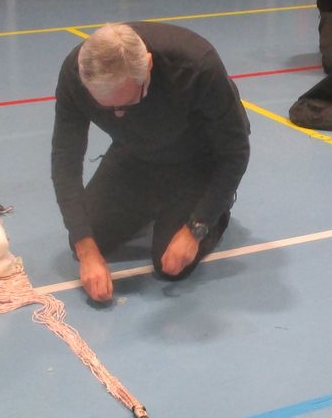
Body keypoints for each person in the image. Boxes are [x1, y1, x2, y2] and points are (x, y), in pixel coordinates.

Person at [50, 22, 251, 303]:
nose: (118, 116)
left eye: (126, 104)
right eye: (107, 108)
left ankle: (216, 210)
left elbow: (235, 152)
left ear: (148, 66)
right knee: (83, 237)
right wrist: (87, 252)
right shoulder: (76, 73)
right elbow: (65, 161)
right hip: (136, 152)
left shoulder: (197, 65)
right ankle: (153, 205)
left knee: (170, 265)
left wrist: (197, 228)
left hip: (199, 158)